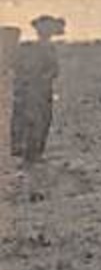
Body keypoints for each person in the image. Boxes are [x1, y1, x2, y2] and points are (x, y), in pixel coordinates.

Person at [10, 15, 64, 163]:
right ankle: (32, 152)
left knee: (32, 119)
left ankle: (28, 151)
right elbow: (54, 70)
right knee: (38, 120)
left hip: (32, 88)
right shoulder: (42, 48)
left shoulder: (29, 47)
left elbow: (52, 70)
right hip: (38, 89)